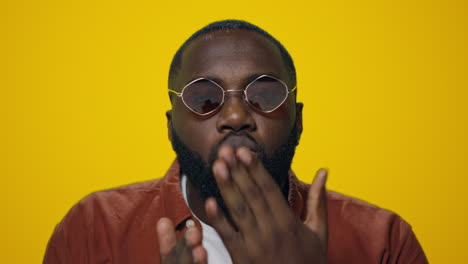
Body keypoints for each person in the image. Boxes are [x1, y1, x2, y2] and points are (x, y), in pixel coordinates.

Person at [44, 20, 428, 264]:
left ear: (299, 121)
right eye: (205, 99)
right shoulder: (93, 231)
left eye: (263, 95)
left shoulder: (385, 243)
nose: (234, 117)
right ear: (170, 125)